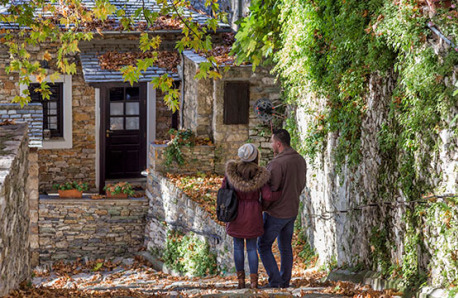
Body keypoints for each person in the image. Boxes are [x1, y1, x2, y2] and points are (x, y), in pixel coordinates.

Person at [222, 143, 279, 289]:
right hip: (253, 214)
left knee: (238, 247)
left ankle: (241, 282)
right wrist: (278, 195)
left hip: (235, 213)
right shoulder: (260, 174)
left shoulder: (232, 173)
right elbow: (267, 195)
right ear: (256, 157)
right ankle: (254, 283)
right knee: (252, 248)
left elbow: (223, 191)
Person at [258, 129, 307, 288]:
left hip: (277, 212)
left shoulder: (277, 164)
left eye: (272, 142)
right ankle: (284, 280)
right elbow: (302, 185)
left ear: (278, 144)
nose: (271, 144)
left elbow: (271, 190)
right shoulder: (300, 159)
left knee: (263, 245)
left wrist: (263, 207)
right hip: (292, 210)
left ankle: (275, 281)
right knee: (285, 246)